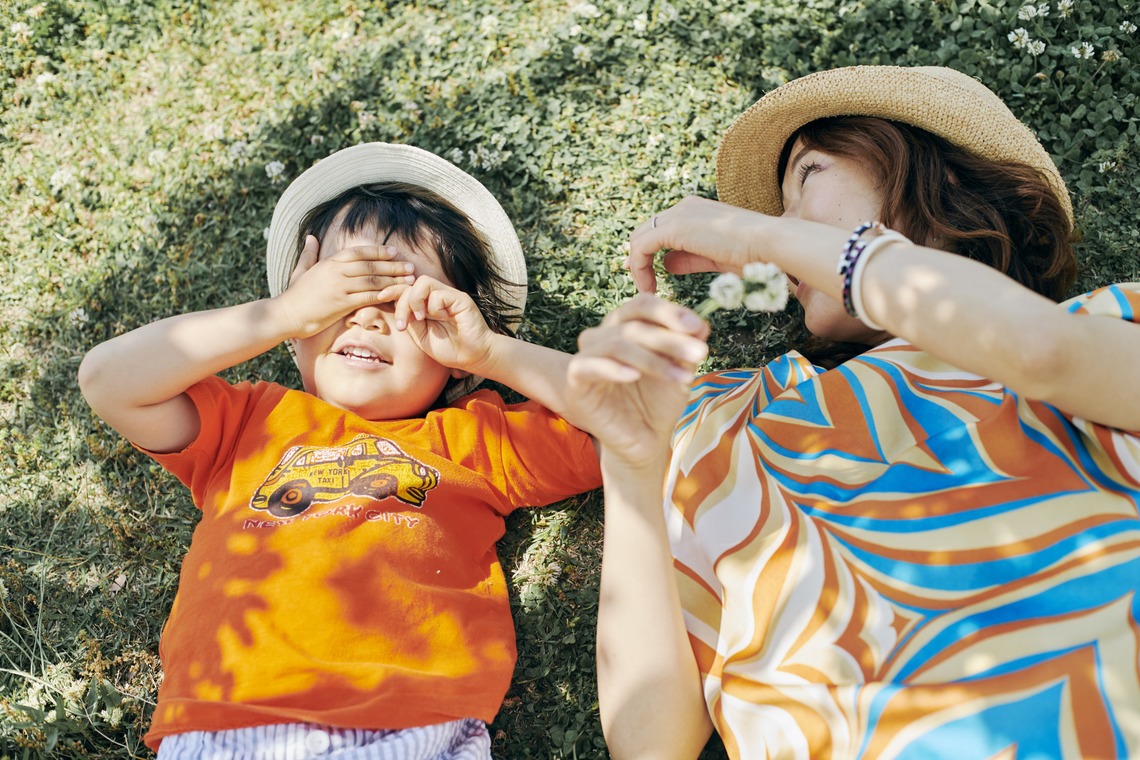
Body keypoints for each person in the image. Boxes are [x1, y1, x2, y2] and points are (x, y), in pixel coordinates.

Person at [566, 66, 1140, 759]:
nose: (772, 240)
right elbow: (651, 745)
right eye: (768, 223)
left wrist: (762, 241)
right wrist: (630, 471)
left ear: (938, 176)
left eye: (806, 174)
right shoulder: (728, 420)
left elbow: (1041, 350)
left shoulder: (1105, 324)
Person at [78, 142, 602, 759]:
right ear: (299, 331)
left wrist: (492, 354)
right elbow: (108, 380)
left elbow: (637, 420)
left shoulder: (476, 440)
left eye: (405, 305)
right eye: (343, 294)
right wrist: (279, 313)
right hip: (221, 721)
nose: (368, 319)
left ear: (456, 366)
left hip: (415, 725)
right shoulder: (249, 421)